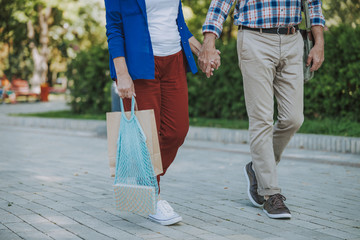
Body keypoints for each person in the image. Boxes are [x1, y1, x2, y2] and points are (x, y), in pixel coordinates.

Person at [199, 0, 325, 219]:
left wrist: (319, 42)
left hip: (293, 39)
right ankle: (270, 194)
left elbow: (313, 3)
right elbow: (221, 2)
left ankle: (257, 169)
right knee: (261, 120)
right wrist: (209, 42)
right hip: (254, 38)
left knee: (293, 118)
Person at [104, 0, 219, 225]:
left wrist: (202, 50)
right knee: (148, 136)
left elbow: (177, 22)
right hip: (140, 63)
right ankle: (152, 198)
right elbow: (114, 28)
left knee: (177, 130)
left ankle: (142, 184)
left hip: (174, 60)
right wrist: (122, 73)